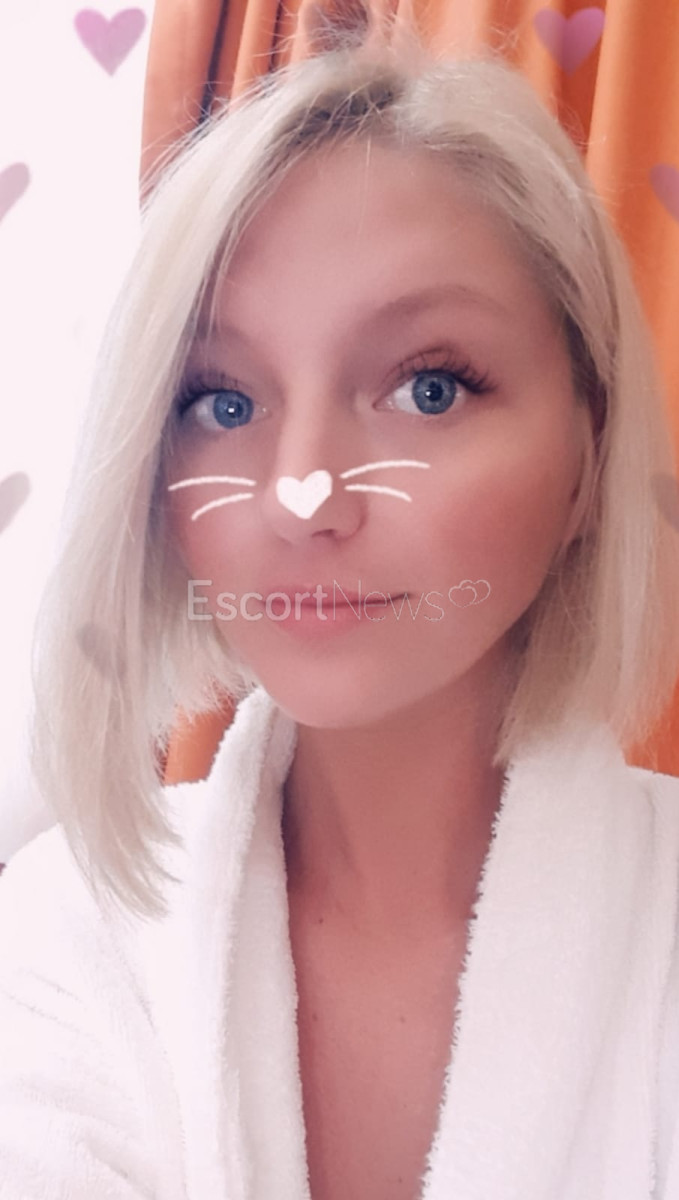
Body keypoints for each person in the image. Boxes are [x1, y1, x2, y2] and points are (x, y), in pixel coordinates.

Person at [2, 26, 679, 1200]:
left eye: (429, 387)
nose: (299, 494)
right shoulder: (66, 931)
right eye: (222, 400)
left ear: (588, 457)